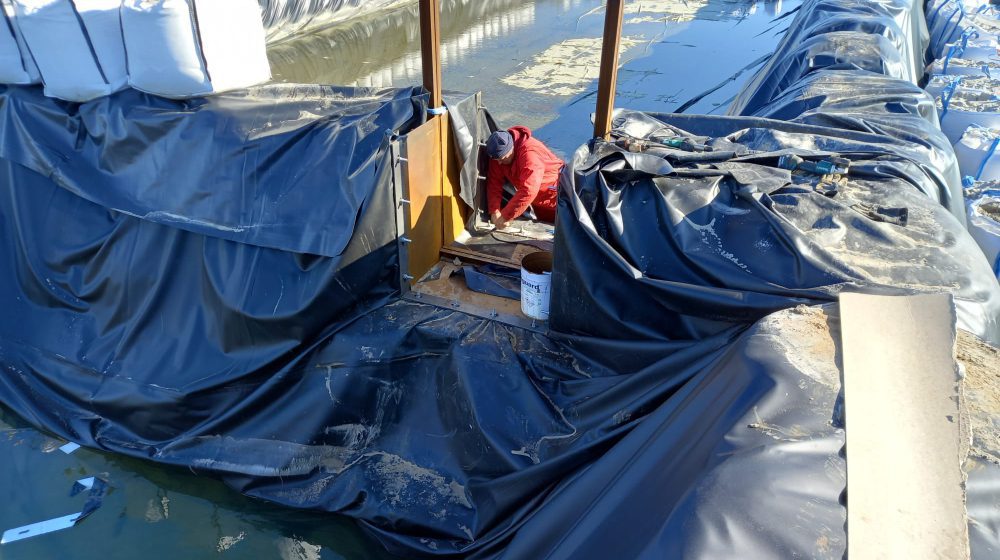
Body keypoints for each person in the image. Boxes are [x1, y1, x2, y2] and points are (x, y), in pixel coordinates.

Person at [485, 127, 564, 230]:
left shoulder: (529, 155)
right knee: (543, 229)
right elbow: (494, 182)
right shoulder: (498, 154)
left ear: (511, 147)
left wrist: (505, 216)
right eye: (497, 159)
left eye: (502, 159)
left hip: (557, 197)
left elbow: (528, 190)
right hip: (537, 201)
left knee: (561, 231)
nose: (499, 163)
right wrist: (494, 210)